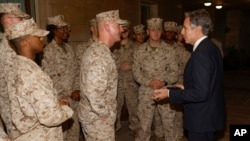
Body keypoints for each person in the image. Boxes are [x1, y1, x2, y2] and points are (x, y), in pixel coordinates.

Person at [152, 9, 226, 141]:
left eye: (185, 28)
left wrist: (169, 94)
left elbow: (201, 93)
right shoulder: (210, 47)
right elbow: (209, 82)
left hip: (201, 119)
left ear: (197, 29)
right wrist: (187, 87)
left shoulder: (201, 54)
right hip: (209, 115)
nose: (181, 32)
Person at [6, 18, 74, 140]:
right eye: (37, 36)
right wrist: (64, 106)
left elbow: (32, 106)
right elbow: (51, 117)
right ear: (26, 42)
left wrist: (54, 104)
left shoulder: (16, 66)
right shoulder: (31, 73)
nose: (42, 38)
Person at [78, 10, 125, 141]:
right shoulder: (98, 55)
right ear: (106, 27)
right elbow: (93, 93)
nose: (121, 29)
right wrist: (106, 114)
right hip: (98, 120)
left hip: (98, 118)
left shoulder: (101, 51)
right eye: (118, 26)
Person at [133, 17, 178, 141]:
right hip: (146, 91)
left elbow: (175, 72)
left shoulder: (169, 50)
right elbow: (136, 73)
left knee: (169, 125)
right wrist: (149, 82)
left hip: (165, 91)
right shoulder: (140, 51)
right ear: (147, 32)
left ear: (162, 31)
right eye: (153, 30)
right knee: (144, 126)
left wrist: (164, 82)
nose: (156, 33)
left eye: (158, 30)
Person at [42, 15, 80, 141]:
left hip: (74, 98)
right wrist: (64, 95)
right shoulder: (48, 50)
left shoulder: (69, 48)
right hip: (60, 99)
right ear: (53, 30)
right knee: (61, 134)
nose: (65, 31)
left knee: (74, 132)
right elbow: (48, 78)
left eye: (66, 28)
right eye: (61, 29)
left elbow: (76, 70)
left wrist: (76, 89)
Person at [0, 3, 30, 140]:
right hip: (11, 110)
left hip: (26, 107)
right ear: (7, 20)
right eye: (20, 18)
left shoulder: (17, 43)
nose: (23, 22)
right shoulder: (3, 45)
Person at [113, 20, 140, 135]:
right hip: (116, 84)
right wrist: (119, 65)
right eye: (121, 29)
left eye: (126, 29)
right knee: (115, 108)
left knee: (134, 108)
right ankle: (114, 129)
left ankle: (135, 129)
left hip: (131, 83)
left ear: (129, 31)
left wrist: (131, 66)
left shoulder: (136, 47)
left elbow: (142, 64)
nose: (123, 32)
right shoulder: (113, 47)